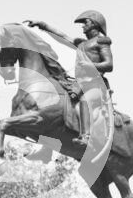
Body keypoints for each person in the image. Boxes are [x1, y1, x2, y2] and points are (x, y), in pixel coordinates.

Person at [26, 10, 113, 147]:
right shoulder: (82, 43)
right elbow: (63, 36)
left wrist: (90, 65)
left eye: (86, 22)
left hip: (96, 85)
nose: (83, 26)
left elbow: (109, 65)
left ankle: (86, 136)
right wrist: (43, 25)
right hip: (80, 83)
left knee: (85, 101)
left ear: (94, 24)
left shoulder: (102, 42)